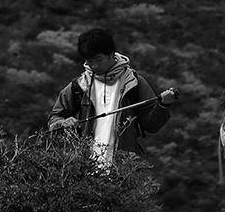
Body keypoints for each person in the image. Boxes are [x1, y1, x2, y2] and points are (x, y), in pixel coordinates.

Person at [48, 29, 174, 165]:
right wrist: (63, 123)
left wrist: (163, 106)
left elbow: (152, 126)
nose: (94, 65)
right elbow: (54, 118)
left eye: (99, 59)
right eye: (89, 61)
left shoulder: (133, 83)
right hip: (85, 167)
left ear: (112, 54)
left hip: (124, 167)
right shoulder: (78, 86)